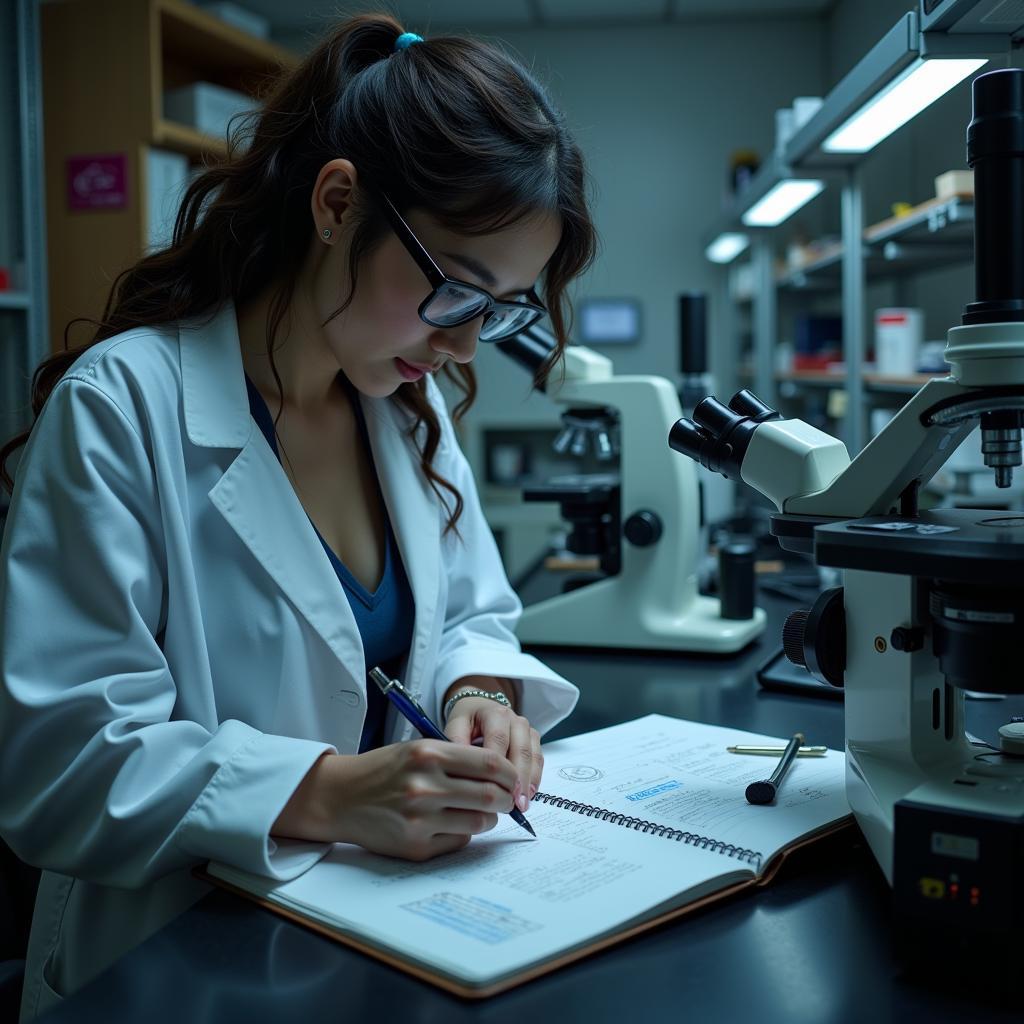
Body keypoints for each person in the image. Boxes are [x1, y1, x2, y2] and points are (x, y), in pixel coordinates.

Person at [0, 13, 596, 1019]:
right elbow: (58, 762)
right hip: (176, 968)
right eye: (455, 291)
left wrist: (476, 694)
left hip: (384, 947)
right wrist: (326, 792)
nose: (462, 349)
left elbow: (471, 619)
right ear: (336, 202)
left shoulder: (405, 409)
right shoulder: (124, 405)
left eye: (496, 310)